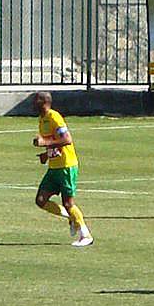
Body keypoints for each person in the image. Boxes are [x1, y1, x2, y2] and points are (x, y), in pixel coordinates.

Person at [33, 91, 93, 247]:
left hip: (66, 166)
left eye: (36, 100)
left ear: (44, 102)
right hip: (54, 167)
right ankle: (71, 218)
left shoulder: (54, 117)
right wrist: (46, 155)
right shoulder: (42, 120)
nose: (33, 103)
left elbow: (66, 139)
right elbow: (55, 144)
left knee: (68, 203)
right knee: (40, 200)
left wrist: (44, 143)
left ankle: (85, 234)